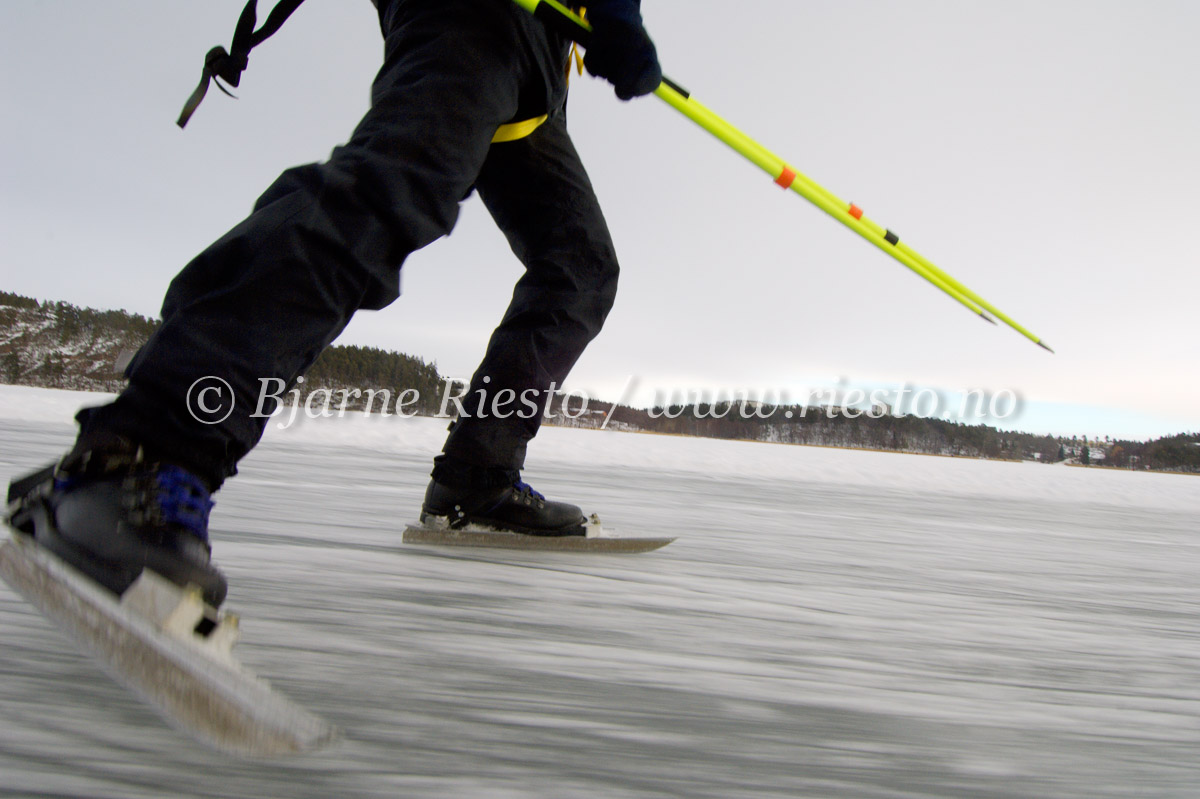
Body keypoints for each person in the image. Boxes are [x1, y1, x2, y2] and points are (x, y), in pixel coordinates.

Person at [5, 0, 662, 608]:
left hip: (543, 60)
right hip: (475, 11)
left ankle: (477, 478)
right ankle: (137, 456)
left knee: (580, 270)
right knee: (389, 192)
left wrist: (613, 13)